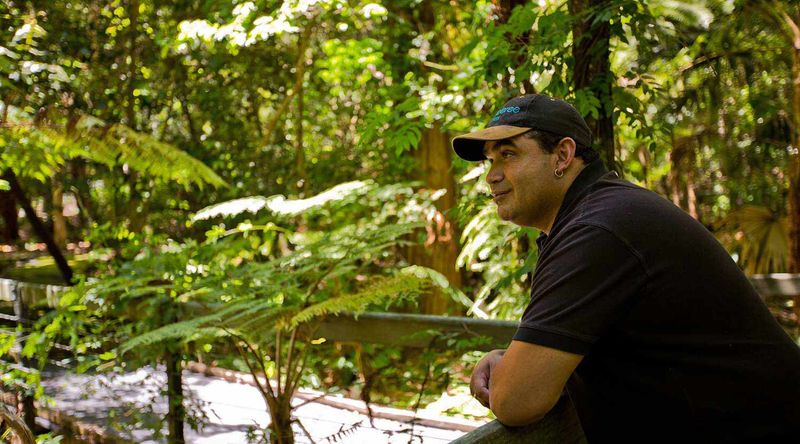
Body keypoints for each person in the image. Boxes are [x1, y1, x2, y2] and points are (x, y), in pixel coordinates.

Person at [451, 94, 800, 443]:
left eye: (509, 154)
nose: (492, 176)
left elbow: (516, 400)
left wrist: (511, 374)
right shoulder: (601, 214)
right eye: (490, 160)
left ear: (563, 155)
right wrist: (511, 360)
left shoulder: (598, 230)